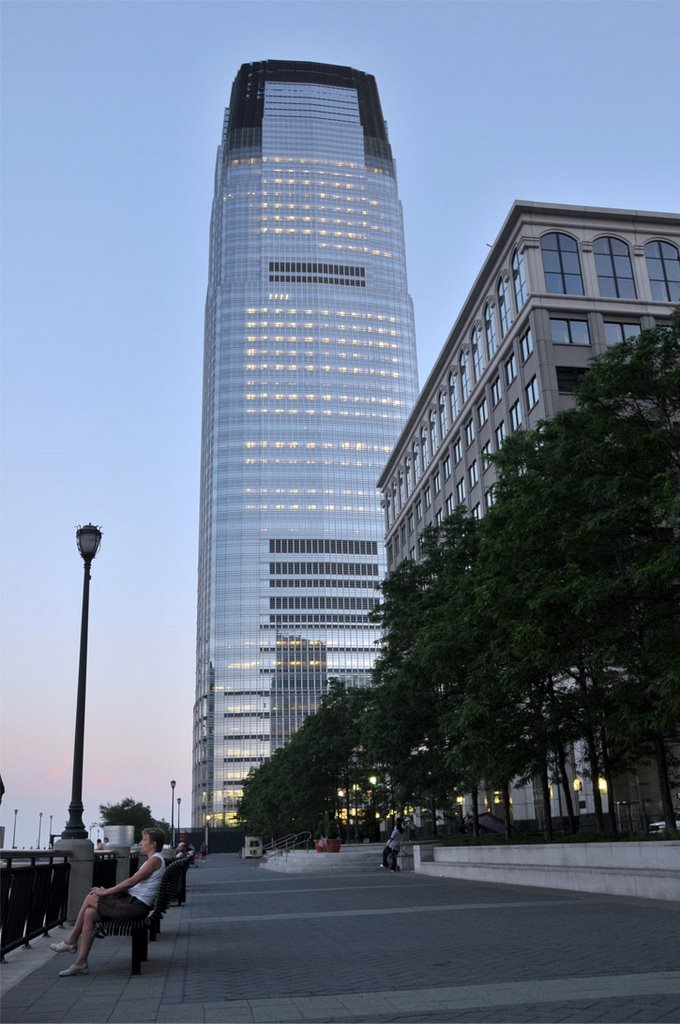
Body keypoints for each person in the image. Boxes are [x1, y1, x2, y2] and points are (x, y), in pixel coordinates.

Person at [50, 827, 166, 977]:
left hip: (137, 907)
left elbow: (131, 882)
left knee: (91, 897)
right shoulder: (154, 859)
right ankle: (81, 963)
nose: (141, 843)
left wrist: (105, 892)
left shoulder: (155, 860)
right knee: (90, 913)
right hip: (132, 902)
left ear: (153, 844)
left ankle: (71, 941)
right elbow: (133, 885)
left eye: (144, 840)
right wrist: (107, 892)